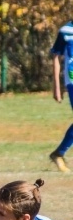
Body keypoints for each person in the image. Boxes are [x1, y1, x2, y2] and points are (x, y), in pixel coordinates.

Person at [49, 19, 73, 172]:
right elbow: (56, 57)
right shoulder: (65, 31)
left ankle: (58, 153)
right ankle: (59, 153)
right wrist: (57, 87)